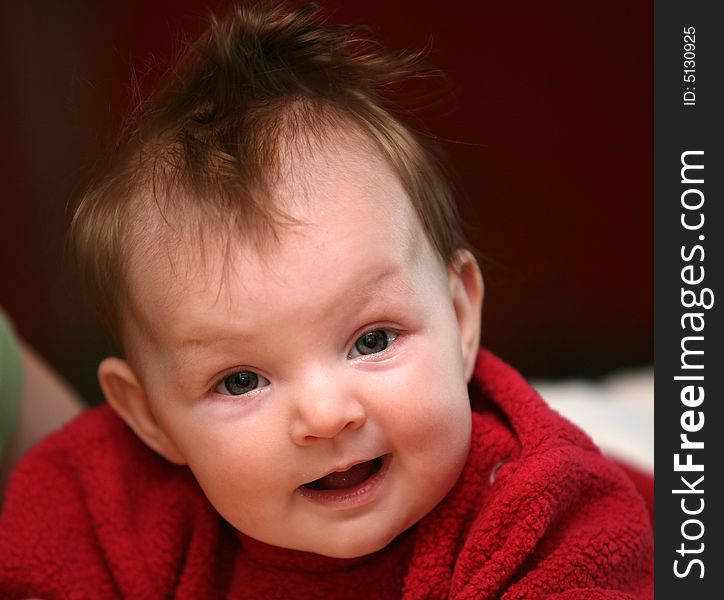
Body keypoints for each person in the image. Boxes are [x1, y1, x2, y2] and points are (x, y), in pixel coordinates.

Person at [0, 2, 653, 597]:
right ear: (150, 418)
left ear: (458, 317)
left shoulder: (544, 511)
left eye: (372, 341)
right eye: (241, 380)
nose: (324, 414)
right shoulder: (112, 509)